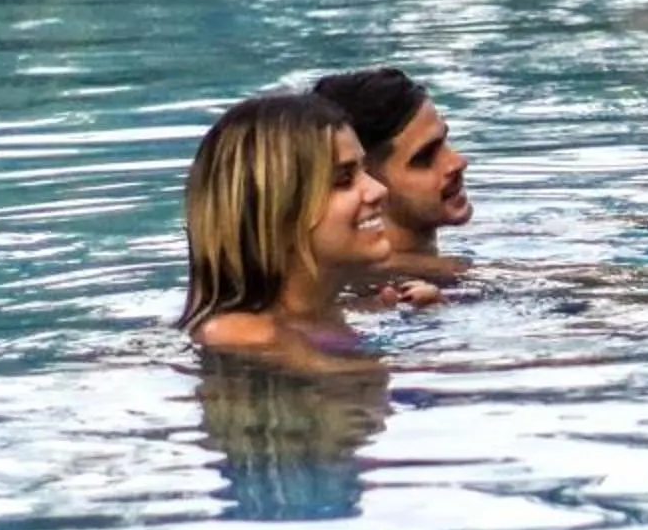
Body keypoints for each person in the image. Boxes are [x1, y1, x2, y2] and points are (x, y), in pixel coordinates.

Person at [180, 90, 423, 366]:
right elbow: (354, 384)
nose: (378, 190)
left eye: (364, 171)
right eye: (343, 179)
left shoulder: (325, 316)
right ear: (278, 215)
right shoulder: (244, 335)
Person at [313, 67, 472, 281]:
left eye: (445, 141)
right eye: (424, 158)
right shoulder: (378, 294)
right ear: (364, 178)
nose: (458, 162)